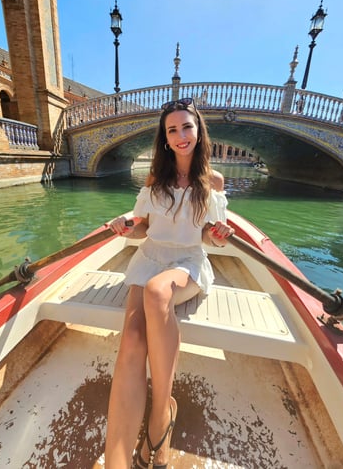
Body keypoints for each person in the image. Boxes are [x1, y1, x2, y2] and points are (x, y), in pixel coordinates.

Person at [102, 97, 234, 468]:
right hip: (149, 259)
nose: (180, 135)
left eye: (186, 127)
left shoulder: (213, 181)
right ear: (164, 137)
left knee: (159, 292)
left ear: (198, 130)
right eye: (172, 129)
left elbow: (208, 237)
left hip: (187, 265)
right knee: (132, 338)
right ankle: (117, 463)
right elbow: (142, 226)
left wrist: (219, 235)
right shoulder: (154, 179)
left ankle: (160, 417)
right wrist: (126, 221)